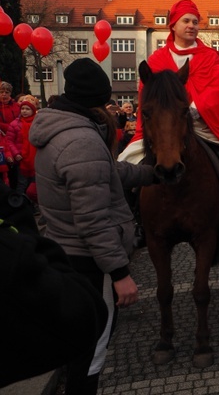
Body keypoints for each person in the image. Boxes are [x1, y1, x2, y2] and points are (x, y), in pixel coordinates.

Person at [29, 58, 157, 394]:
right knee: (92, 355)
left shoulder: (63, 130)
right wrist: (119, 274)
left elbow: (108, 173)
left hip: (65, 249)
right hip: (90, 264)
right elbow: (93, 219)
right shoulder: (82, 142)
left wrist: (152, 174)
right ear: (97, 100)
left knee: (79, 349)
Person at [119, 0, 219, 240]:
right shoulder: (157, 59)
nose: (192, 26)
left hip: (203, 124)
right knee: (124, 161)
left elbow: (218, 87)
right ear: (173, 25)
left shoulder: (211, 57)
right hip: (163, 128)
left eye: (195, 22)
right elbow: (146, 92)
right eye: (186, 21)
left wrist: (193, 109)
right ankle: (135, 219)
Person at [0, 181, 109, 388]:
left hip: (65, 242)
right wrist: (15, 215)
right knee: (91, 354)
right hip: (82, 257)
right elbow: (81, 318)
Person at [5, 95, 39, 195]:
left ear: (33, 110)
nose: (24, 111)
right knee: (22, 183)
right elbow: (9, 141)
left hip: (35, 159)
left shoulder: (37, 124)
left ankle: (34, 204)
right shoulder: (14, 124)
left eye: (27, 109)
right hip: (21, 159)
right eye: (22, 108)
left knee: (35, 183)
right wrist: (16, 154)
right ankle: (20, 203)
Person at [0, 81, 21, 188]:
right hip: (2, 141)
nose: (4, 94)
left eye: (6, 92)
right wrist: (10, 127)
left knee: (14, 170)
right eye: (1, 92)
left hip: (14, 139)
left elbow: (20, 119)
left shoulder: (16, 106)